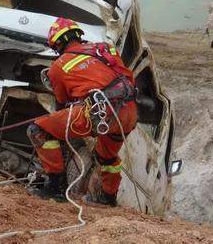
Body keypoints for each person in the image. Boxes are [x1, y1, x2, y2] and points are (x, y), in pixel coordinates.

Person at [25, 17, 138, 206]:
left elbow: (62, 103)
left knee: (38, 130)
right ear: (78, 35)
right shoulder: (105, 48)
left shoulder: (58, 67)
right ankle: (107, 198)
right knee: (107, 156)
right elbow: (126, 75)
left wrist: (61, 128)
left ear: (58, 44)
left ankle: (55, 188)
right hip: (129, 111)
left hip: (100, 113)